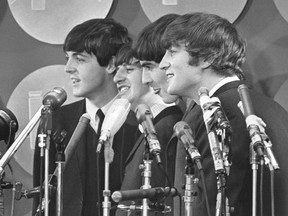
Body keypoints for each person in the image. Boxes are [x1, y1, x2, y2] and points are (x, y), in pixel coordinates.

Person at [159, 12, 288, 216]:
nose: (162, 63)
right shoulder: (270, 107)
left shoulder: (219, 112)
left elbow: (211, 206)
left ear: (207, 58)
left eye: (172, 52)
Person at [33, 18, 139, 216]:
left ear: (110, 64)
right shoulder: (55, 120)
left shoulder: (139, 121)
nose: (68, 67)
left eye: (79, 59)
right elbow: (42, 198)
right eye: (67, 58)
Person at [113, 43, 183, 216]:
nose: (116, 78)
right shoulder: (149, 126)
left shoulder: (168, 126)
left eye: (129, 70)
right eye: (116, 70)